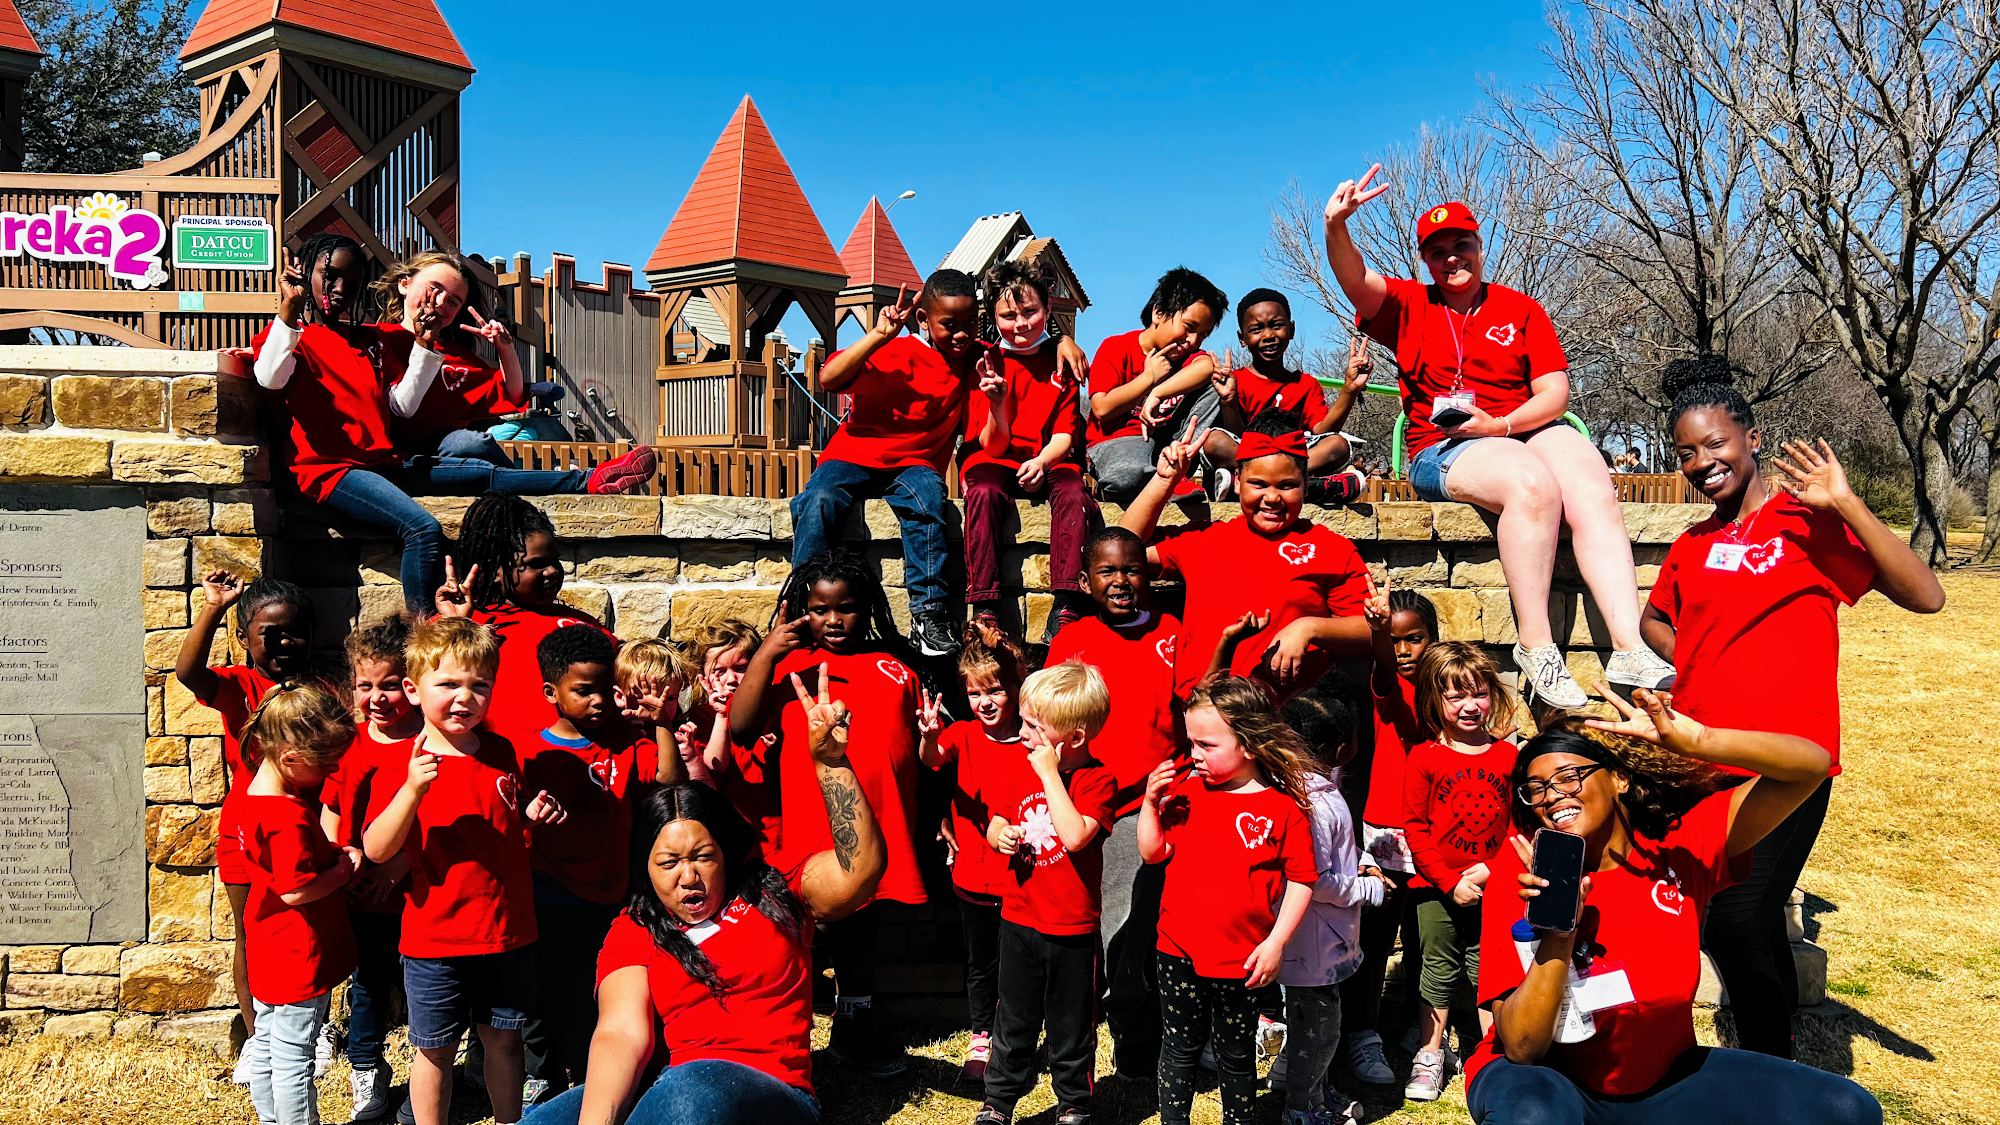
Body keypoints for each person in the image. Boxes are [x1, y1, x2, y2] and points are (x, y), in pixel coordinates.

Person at [1640, 356, 1944, 1057]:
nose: (1701, 462)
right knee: (1732, 915)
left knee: (1737, 918)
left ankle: (1772, 1067)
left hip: (1788, 762)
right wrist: (1696, 661)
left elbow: (1926, 595)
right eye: (1685, 452)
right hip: (1704, 756)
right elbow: (1654, 619)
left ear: (1751, 438)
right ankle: (1770, 1048)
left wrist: (1847, 504)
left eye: (1715, 444)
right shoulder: (1693, 543)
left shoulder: (1807, 523)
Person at [1321, 171, 1677, 707]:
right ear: (1425, 261)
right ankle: (1537, 648)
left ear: (1479, 246)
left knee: (1588, 475)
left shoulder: (1521, 308)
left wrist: (1501, 425)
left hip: (1515, 430)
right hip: (1440, 448)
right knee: (1531, 482)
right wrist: (1336, 227)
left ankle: (1629, 646)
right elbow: (1356, 280)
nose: (1452, 258)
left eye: (1461, 244)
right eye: (1437, 251)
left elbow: (1554, 392)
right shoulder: (1408, 303)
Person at [1463, 695, 1882, 1125]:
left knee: (1848, 1110)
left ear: (1619, 778)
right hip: (1550, 1084)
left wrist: (1701, 741)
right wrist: (1559, 929)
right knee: (1534, 1119)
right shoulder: (1523, 875)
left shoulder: (1679, 849)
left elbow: (1812, 767)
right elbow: (1523, 1047)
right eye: (1536, 789)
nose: (1552, 796)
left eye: (1569, 777)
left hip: (1665, 1083)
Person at [524, 673, 887, 1125]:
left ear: (726, 854)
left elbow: (860, 871)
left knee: (692, 1087)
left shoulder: (777, 890)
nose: (688, 877)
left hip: (768, 1091)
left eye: (702, 857)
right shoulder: (636, 927)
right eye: (668, 863)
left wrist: (831, 763)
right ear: (645, 869)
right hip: (668, 1088)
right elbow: (620, 1033)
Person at [252, 242, 653, 613]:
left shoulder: (367, 342)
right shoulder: (290, 335)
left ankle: (590, 479)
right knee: (422, 528)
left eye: (353, 281)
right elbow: (269, 376)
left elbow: (401, 406)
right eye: (331, 275)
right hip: (329, 471)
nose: (341, 288)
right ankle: (427, 630)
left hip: (382, 464)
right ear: (305, 273)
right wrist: (289, 309)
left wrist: (426, 345)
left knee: (481, 472)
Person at [788, 270, 1087, 657]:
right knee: (818, 501)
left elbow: (1027, 341)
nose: (961, 334)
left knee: (929, 500)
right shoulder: (894, 350)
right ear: (923, 320)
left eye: (970, 323)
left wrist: (1063, 339)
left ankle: (928, 615)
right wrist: (879, 334)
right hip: (852, 454)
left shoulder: (978, 357)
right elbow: (829, 378)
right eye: (950, 325)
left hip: (914, 464)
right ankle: (799, 607)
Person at [726, 551, 930, 1076]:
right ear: (802, 610)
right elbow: (742, 728)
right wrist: (767, 654)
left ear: (869, 609)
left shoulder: (896, 665)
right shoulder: (790, 669)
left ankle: (854, 1022)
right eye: (820, 609)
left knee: (866, 925)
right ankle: (782, 1030)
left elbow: (918, 747)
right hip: (812, 827)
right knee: (805, 930)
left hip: (880, 823)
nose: (834, 620)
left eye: (847, 608)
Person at [362, 616, 567, 1125]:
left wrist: (530, 815)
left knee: (506, 1042)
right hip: (436, 940)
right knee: (434, 1051)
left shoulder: (500, 752)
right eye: (449, 684)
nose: (465, 698)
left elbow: (505, 823)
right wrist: (412, 790)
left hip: (506, 934)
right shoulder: (402, 764)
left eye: (480, 686)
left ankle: (509, 1122)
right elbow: (377, 849)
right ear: (414, 690)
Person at [1140, 675, 1320, 1125]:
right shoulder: (1186, 792)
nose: (1194, 754)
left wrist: (1276, 944)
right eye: (1191, 743)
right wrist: (1149, 803)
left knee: (1236, 1056)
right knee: (1178, 1048)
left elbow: (1302, 881)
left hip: (1244, 960)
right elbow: (1153, 853)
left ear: (1250, 744)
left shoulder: (1283, 809)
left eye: (1206, 744)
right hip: (1177, 949)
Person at [1044, 526, 1184, 1081]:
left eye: (1132, 570)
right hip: (1088, 805)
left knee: (1137, 931)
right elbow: (1050, 720)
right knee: (1104, 931)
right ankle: (1115, 1034)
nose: (1121, 581)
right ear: (1085, 582)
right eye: (1107, 572)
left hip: (1150, 804)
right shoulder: (1072, 640)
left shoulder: (1171, 632)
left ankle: (1145, 1038)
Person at [1120, 410, 1372, 698]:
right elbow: (1120, 552)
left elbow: (1371, 631)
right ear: (1238, 481)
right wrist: (1164, 480)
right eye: (1258, 484)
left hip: (1288, 716)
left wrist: (1309, 628)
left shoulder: (1332, 550)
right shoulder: (1203, 540)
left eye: (1287, 485)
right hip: (1205, 713)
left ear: (1305, 483)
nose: (1272, 498)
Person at [175, 571, 316, 1074]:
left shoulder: (321, 691)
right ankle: (259, 1037)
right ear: (244, 639)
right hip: (246, 831)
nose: (283, 643)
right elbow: (188, 672)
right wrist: (214, 607)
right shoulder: (238, 685)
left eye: (294, 632)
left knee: (310, 928)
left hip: (307, 829)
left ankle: (309, 1030)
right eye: (269, 634)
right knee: (251, 933)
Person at [969, 661, 1119, 1125]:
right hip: (1018, 919)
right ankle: (998, 1102)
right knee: (1012, 1020)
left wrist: (1051, 777)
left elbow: (1075, 836)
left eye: (1034, 726)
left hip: (1072, 931)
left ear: (1073, 738)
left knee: (1070, 1026)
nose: (1023, 733)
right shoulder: (1020, 768)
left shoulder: (1097, 781)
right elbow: (997, 817)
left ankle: (1073, 1103)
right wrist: (998, 835)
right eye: (1024, 721)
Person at [519, 625, 658, 1104]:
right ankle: (540, 1077)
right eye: (583, 691)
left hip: (610, 896)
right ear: (551, 693)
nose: (598, 700)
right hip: (548, 893)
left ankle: (587, 1075)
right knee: (542, 990)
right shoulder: (530, 754)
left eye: (605, 688)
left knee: (592, 988)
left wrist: (661, 724)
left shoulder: (628, 742)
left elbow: (666, 781)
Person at [236, 681, 360, 1125]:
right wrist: (343, 869)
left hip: (267, 939)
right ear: (291, 758)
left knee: (267, 1040)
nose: (332, 770)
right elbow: (295, 889)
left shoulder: (254, 798)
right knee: (294, 1055)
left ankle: (271, 1120)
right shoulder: (286, 815)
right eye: (325, 763)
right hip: (297, 949)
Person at [1400, 643, 1520, 1102]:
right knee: (1437, 966)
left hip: (1495, 884)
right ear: (1436, 701)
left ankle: (1494, 1048)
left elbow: (1518, 826)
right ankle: (1430, 1052)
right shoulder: (1424, 756)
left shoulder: (1508, 756)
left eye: (1480, 693)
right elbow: (1415, 827)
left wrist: (1489, 872)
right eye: (1456, 696)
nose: (1470, 706)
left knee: (1491, 965)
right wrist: (1451, 883)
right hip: (1436, 888)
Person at [917, 620, 1031, 1081]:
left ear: (1015, 690)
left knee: (1020, 965)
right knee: (981, 964)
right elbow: (932, 758)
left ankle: (1015, 1036)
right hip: (975, 877)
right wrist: (928, 736)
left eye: (995, 691)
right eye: (974, 693)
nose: (985, 702)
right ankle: (982, 1034)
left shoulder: (1034, 739)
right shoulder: (963, 733)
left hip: (1023, 878)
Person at [961, 259, 1092, 636]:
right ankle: (984, 605)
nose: (1020, 323)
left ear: (1048, 309)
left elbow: (1064, 436)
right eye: (1008, 315)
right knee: (983, 492)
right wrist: (997, 403)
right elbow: (992, 445)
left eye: (1030, 312)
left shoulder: (1063, 361)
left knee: (1073, 492)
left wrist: (1041, 462)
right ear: (993, 317)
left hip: (1050, 457)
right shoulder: (985, 362)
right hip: (995, 457)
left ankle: (1066, 603)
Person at [325, 615, 421, 1120]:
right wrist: (338, 860)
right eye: (365, 686)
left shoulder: (430, 742)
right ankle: (366, 1067)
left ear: (414, 684)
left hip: (421, 893)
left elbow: (445, 820)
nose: (377, 698)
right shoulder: (350, 742)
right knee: (367, 985)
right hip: (363, 895)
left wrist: (398, 867)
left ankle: (436, 1070)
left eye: (390, 685)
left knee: (427, 986)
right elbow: (332, 809)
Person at [1276, 688, 1386, 1125]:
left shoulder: (1310, 790)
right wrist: (1367, 889)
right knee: (1317, 1035)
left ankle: (1316, 1092)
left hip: (1317, 941)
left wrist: (1360, 860)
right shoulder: (1316, 805)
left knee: (1316, 1028)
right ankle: (1302, 1110)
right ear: (1342, 747)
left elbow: (1330, 857)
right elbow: (1315, 879)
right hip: (1315, 946)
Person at [1344, 581, 1436, 1084]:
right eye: (1393, 641)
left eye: (1413, 639)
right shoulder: (1389, 685)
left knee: (1430, 937)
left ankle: (1425, 1034)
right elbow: (1382, 668)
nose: (1403, 651)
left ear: (1434, 639)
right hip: (1388, 830)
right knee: (1377, 939)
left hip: (1440, 830)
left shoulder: (1451, 691)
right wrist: (1377, 633)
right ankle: (1364, 1035)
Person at [451, 494, 622, 747]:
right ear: (495, 570)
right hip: (496, 764)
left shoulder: (582, 625)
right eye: (536, 564)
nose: (551, 571)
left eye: (554, 561)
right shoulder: (463, 622)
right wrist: (454, 627)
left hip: (582, 764)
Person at [1207, 289, 1369, 503]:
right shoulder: (1234, 381)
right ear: (1242, 338)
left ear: (1291, 330)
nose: (1268, 336)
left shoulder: (1306, 384)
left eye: (1276, 325)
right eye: (1256, 329)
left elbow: (1323, 431)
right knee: (1214, 442)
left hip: (1295, 455)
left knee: (1339, 445)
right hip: (1250, 454)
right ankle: (1307, 487)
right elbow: (1235, 435)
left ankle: (1245, 485)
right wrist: (1228, 400)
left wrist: (1350, 388)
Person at [1086, 267, 1226, 502]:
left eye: (1203, 335)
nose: (1193, 341)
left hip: (1168, 445)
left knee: (1214, 386)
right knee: (1127, 475)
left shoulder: (1187, 359)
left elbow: (1208, 366)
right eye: (1189, 327)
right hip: (1118, 442)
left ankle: (1174, 475)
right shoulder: (1116, 347)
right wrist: (1148, 378)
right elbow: (1102, 409)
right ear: (1158, 313)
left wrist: (1158, 392)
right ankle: (1137, 483)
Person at [675, 620, 776, 842]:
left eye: (741, 669)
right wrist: (721, 716)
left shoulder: (770, 710)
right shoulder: (704, 717)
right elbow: (716, 763)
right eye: (719, 672)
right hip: (731, 830)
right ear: (702, 676)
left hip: (774, 827)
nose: (731, 680)